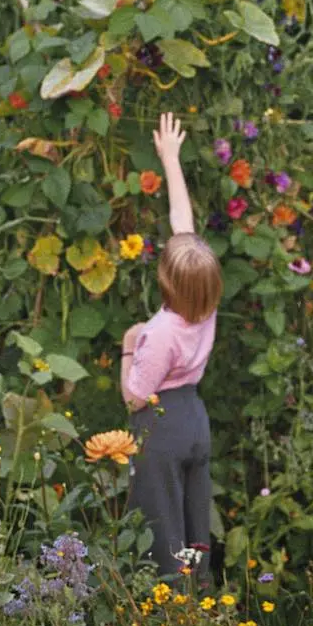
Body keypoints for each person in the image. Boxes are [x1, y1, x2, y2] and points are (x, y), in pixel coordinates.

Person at [122, 110, 220, 587]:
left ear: (166, 279)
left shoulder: (160, 331)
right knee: (194, 520)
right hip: (195, 419)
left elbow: (135, 396)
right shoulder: (205, 306)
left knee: (163, 525)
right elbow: (183, 221)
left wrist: (127, 347)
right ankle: (201, 591)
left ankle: (173, 608)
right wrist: (170, 158)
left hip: (161, 425)